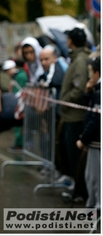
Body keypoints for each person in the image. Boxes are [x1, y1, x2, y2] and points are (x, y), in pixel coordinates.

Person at [58, 27, 91, 203]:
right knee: (71, 155)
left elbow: (78, 88)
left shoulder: (79, 60)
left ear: (71, 40)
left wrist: (66, 101)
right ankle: (77, 190)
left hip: (75, 115)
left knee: (76, 157)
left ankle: (80, 193)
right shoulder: (77, 58)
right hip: (72, 115)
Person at [76, 57, 100, 211]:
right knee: (91, 176)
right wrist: (87, 92)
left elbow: (95, 119)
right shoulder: (96, 91)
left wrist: (84, 139)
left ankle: (96, 207)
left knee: (94, 177)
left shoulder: (100, 93)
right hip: (95, 141)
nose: (90, 76)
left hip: (97, 142)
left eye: (92, 72)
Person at [1, 59, 28, 151]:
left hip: (20, 104)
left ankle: (20, 144)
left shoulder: (20, 76)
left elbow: (18, 92)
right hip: (20, 104)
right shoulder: (17, 76)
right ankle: (19, 143)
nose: (7, 73)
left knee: (18, 125)